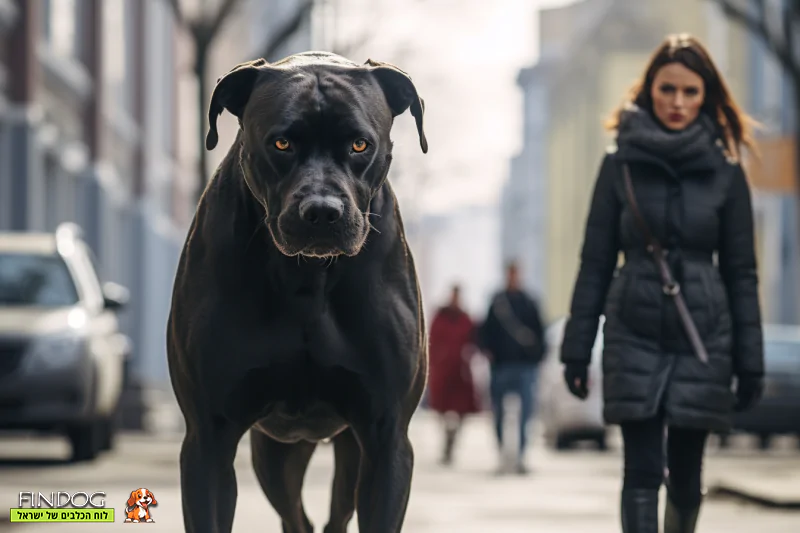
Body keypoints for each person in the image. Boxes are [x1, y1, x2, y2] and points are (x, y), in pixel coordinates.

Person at [560, 34, 764, 533]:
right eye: (667, 89)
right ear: (648, 89)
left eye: (690, 92)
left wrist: (750, 361)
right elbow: (595, 261)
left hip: (703, 333)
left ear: (707, 95)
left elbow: (741, 271)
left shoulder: (726, 172)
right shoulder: (619, 164)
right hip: (634, 328)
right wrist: (576, 347)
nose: (677, 102)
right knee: (643, 469)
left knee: (689, 476)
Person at [481, 261, 546, 475]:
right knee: (498, 414)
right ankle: (502, 454)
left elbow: (540, 333)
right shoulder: (498, 302)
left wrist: (536, 358)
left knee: (526, 416)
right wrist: (488, 352)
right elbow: (485, 332)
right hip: (501, 367)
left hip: (525, 367)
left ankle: (520, 457)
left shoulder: (529, 302)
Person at [427, 284, 481, 466]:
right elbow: (431, 340)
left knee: (463, 408)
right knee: (442, 408)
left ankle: (453, 437)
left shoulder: (465, 318)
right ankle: (446, 438)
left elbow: (474, 340)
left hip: (460, 370)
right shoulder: (440, 317)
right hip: (443, 370)